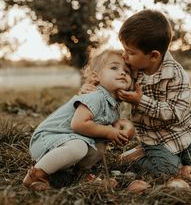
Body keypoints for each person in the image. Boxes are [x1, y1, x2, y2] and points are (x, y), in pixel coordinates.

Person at [116, 9, 191, 176]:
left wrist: (141, 101)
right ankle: (135, 158)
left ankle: (172, 158)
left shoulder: (176, 75)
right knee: (170, 172)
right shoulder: (132, 71)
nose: (125, 56)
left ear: (153, 55)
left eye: (130, 52)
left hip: (184, 134)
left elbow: (175, 113)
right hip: (154, 139)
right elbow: (114, 86)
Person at [23, 49, 132, 191]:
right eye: (114, 67)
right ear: (96, 76)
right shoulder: (95, 96)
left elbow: (109, 129)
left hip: (71, 140)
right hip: (49, 138)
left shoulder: (113, 106)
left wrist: (120, 132)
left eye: (128, 71)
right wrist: (108, 131)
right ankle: (36, 174)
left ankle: (80, 174)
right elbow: (78, 124)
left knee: (99, 146)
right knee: (79, 147)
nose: (123, 72)